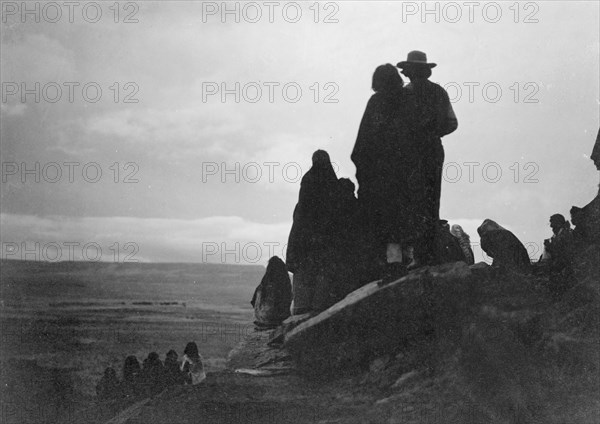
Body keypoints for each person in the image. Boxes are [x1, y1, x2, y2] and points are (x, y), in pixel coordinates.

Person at [352, 64, 429, 284]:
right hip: (403, 173)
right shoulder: (408, 101)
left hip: (378, 174)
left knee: (382, 220)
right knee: (400, 220)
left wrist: (364, 171)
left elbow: (363, 143)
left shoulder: (375, 103)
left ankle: (388, 266)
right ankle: (401, 262)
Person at [397, 51, 458, 267]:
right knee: (432, 202)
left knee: (414, 202)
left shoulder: (405, 94)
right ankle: (429, 253)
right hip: (433, 150)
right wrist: (434, 131)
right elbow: (452, 123)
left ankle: (421, 255)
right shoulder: (439, 92)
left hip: (412, 154)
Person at [286, 150, 341, 314]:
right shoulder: (332, 182)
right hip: (325, 238)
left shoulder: (308, 180)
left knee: (306, 277)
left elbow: (303, 210)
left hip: (306, 239)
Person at [251, 256, 292, 328]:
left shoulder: (261, 285)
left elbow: (253, 302)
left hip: (259, 319)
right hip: (273, 320)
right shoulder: (281, 285)